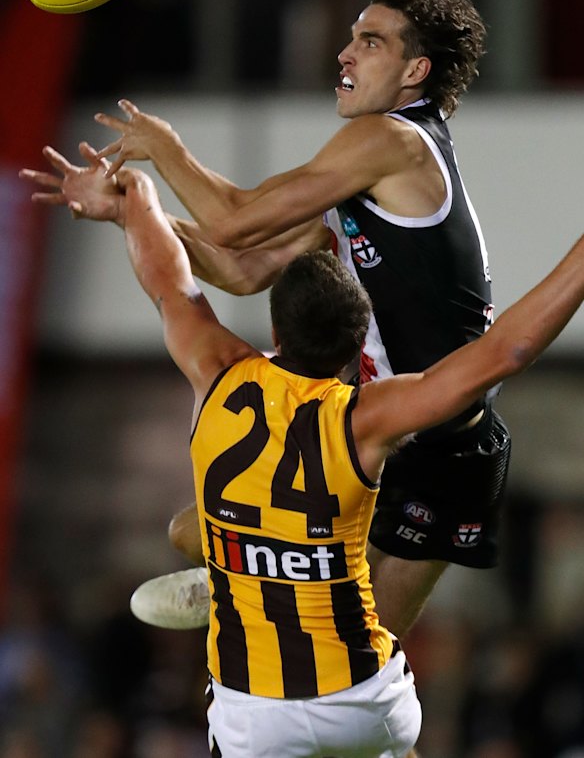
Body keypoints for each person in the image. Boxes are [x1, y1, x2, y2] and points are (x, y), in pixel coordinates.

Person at [18, 150, 584, 758]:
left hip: (254, 715)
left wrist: (134, 202)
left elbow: (168, 277)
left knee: (192, 529)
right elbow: (506, 352)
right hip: (363, 700)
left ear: (277, 331)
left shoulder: (216, 369)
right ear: (351, 349)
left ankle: (237, 579)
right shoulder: (365, 417)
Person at [81, 0, 510, 638]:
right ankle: (258, 590)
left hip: (437, 453)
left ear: (414, 72)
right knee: (194, 535)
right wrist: (130, 212)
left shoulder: (392, 141)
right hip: (374, 434)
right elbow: (242, 266)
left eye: (371, 41)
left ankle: (256, 593)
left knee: (357, 678)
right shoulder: (363, 170)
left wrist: (163, 150)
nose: (345, 52)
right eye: (352, 36)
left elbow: (232, 221)